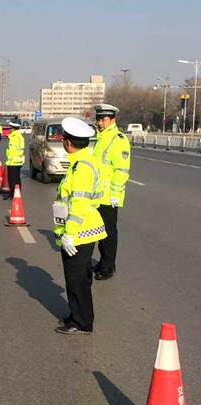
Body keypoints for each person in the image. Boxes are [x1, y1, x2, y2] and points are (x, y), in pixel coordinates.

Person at [53, 118, 107, 335]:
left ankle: (82, 321)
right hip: (84, 229)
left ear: (67, 142)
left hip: (80, 231)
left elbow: (80, 202)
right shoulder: (83, 160)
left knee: (76, 279)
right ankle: (78, 314)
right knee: (81, 276)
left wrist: (70, 234)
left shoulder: (82, 167)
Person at [92, 104, 131, 280]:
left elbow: (121, 170)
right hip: (96, 195)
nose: (100, 123)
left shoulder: (118, 139)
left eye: (104, 119)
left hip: (109, 196)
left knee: (108, 232)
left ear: (112, 120)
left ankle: (108, 265)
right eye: (98, 119)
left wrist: (115, 193)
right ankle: (103, 260)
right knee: (99, 230)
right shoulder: (101, 138)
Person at [4, 121, 25, 200]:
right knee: (17, 178)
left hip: (13, 161)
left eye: (10, 128)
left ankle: (13, 194)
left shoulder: (14, 137)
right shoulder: (19, 136)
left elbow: (12, 150)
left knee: (12, 179)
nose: (9, 130)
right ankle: (17, 192)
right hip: (18, 160)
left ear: (13, 129)